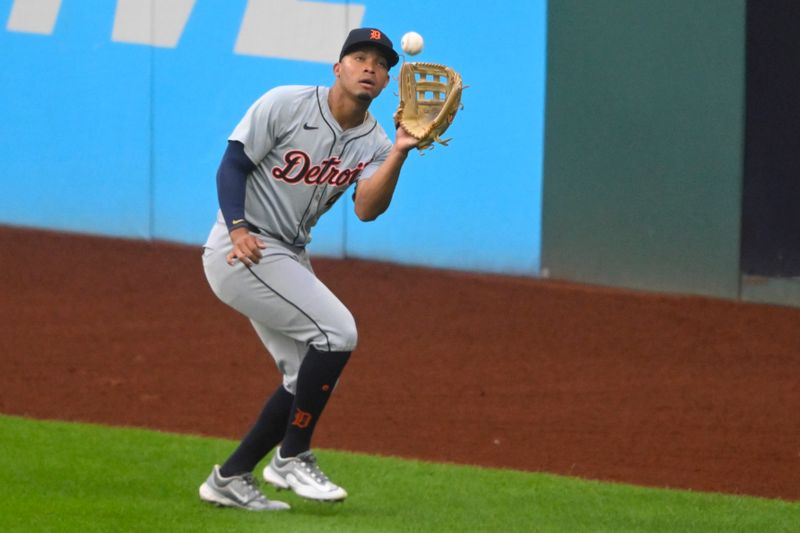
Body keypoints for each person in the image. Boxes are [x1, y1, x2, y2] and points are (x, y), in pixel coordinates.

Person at [198, 27, 418, 511]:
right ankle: (292, 454)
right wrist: (236, 227)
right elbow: (232, 164)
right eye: (360, 57)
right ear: (337, 68)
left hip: (288, 254)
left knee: (307, 377)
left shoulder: (376, 140)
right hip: (244, 248)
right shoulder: (286, 103)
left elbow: (366, 209)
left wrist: (399, 152)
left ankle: (230, 477)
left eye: (381, 65)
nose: (370, 67)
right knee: (338, 333)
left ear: (384, 84)